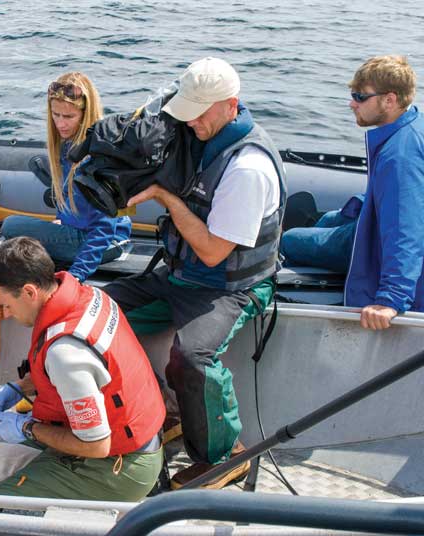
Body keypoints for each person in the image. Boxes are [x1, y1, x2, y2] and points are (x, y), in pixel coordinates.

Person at [103, 57, 286, 489]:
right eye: (188, 110)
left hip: (230, 287)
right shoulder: (199, 136)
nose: (192, 121)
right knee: (101, 313)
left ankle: (223, 457)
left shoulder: (248, 169)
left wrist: (166, 198)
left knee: (191, 359)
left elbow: (211, 252)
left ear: (231, 106)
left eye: (201, 112)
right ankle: (165, 411)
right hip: (181, 275)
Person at [0, 237, 165, 501]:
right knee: (3, 452)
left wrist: (26, 428)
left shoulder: (65, 355)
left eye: (7, 305)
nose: (5, 314)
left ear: (30, 292)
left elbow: (96, 445)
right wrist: (19, 388)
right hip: (139, 438)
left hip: (119, 466)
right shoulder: (92, 296)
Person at [284, 56, 424, 329]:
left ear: (389, 100)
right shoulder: (410, 126)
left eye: (360, 97)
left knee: (290, 239)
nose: (352, 103)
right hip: (368, 223)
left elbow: (405, 228)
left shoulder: (399, 157)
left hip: (376, 243)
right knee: (327, 220)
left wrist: (391, 298)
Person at [0, 72, 132, 282]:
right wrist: (62, 221)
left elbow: (104, 229)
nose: (60, 123)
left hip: (107, 243)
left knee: (11, 225)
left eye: (69, 117)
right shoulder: (66, 147)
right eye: (56, 115)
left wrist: (76, 275)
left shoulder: (98, 156)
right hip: (78, 230)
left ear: (85, 114)